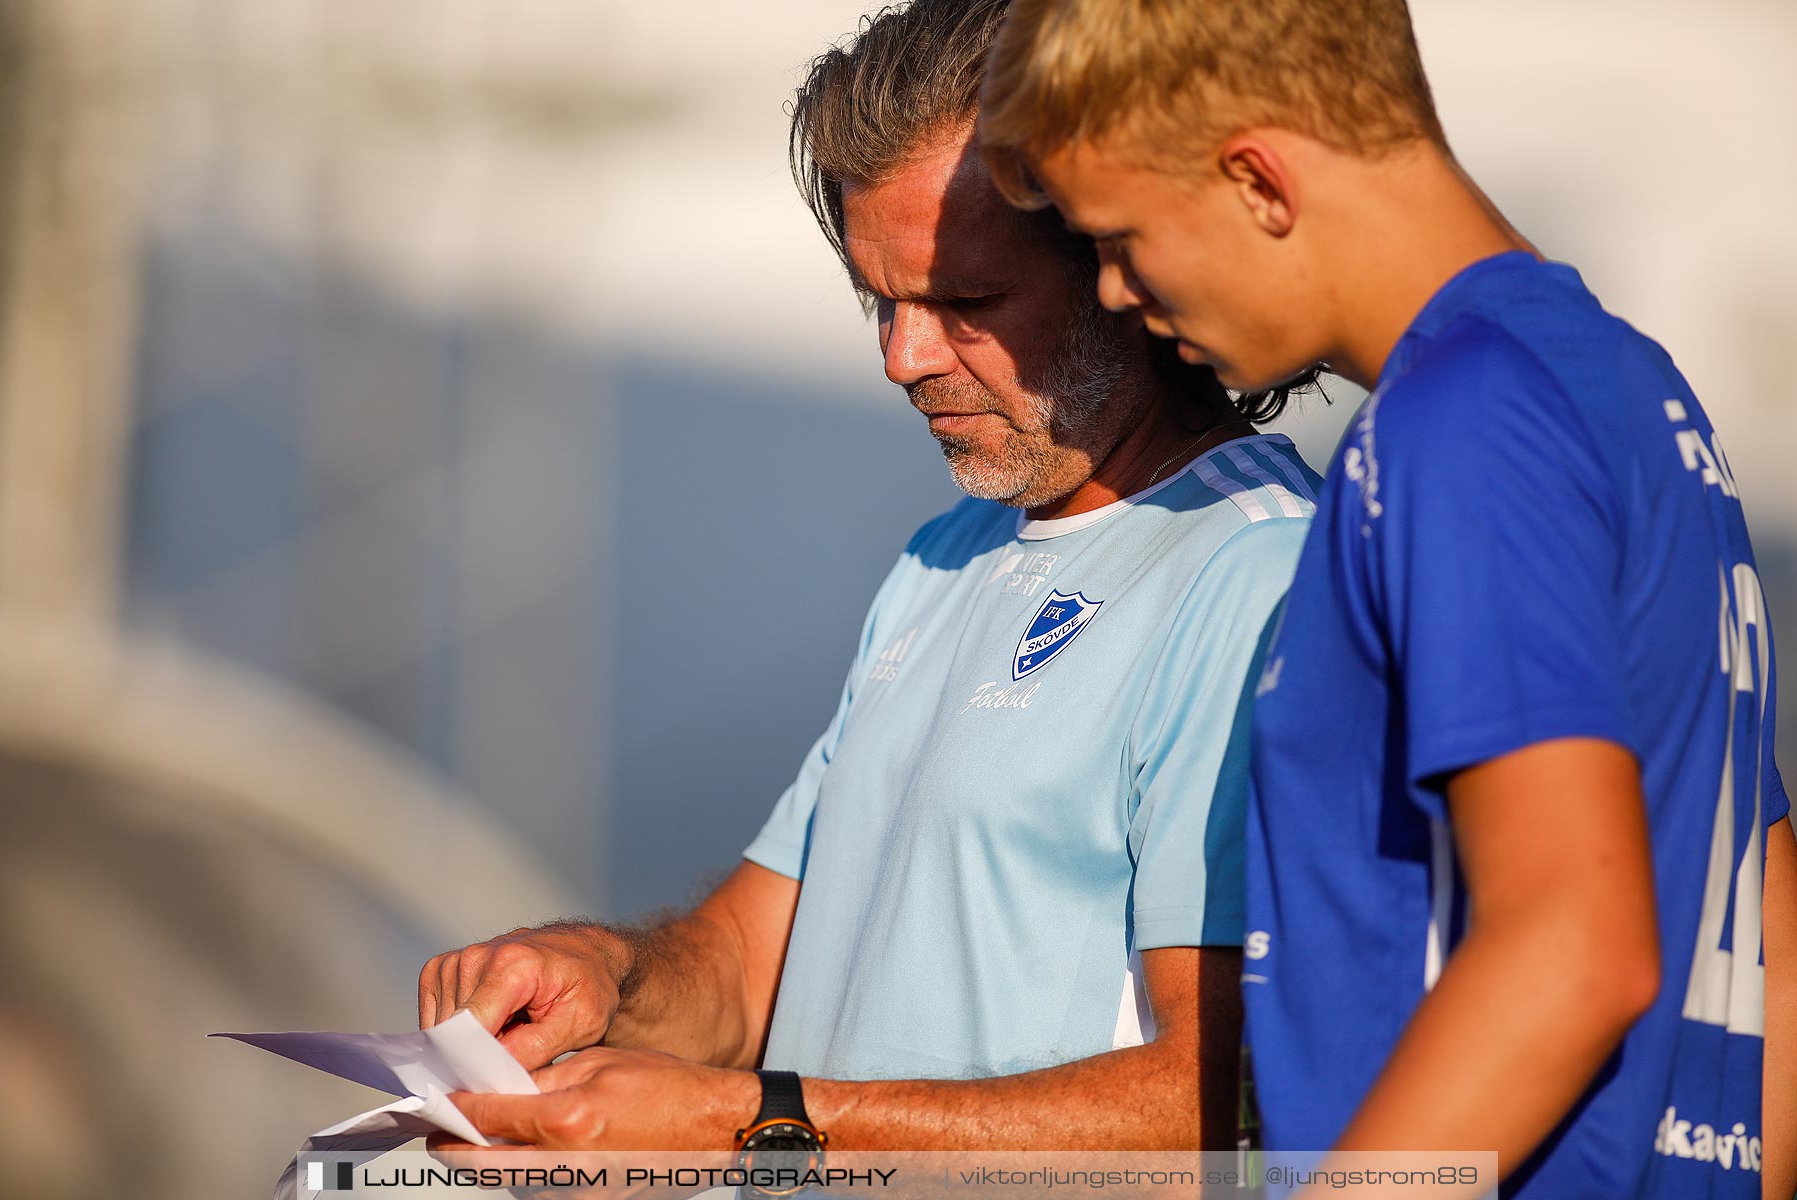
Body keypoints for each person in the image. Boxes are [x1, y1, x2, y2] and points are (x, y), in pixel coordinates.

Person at [415, 0, 1322, 1156]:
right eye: (880, 299)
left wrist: (758, 1128)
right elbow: (750, 968)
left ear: (1122, 258)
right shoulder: (947, 553)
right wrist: (602, 972)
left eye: (966, 302)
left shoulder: (1258, 571)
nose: (904, 357)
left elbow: (1212, 1106)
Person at [978, 1, 1794, 1196]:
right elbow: (1766, 933)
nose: (1113, 292)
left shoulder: (1458, 420)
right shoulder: (1634, 390)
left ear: (1258, 179)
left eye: (1120, 236)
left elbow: (1573, 950)